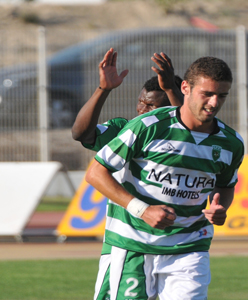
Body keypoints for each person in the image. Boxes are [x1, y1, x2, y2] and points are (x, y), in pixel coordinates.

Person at [85, 56, 244, 300]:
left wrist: (220, 206)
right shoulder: (148, 126)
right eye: (207, 94)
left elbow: (225, 186)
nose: (214, 103)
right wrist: (143, 210)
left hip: (189, 249)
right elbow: (95, 172)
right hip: (133, 244)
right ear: (185, 88)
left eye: (222, 96)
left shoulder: (231, 143)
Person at [72, 48, 183, 300]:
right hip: (128, 242)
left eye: (151, 104)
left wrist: (172, 91)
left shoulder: (193, 140)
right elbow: (81, 134)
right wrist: (104, 89)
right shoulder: (127, 130)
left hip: (176, 244)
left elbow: (185, 124)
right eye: (141, 102)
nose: (142, 109)